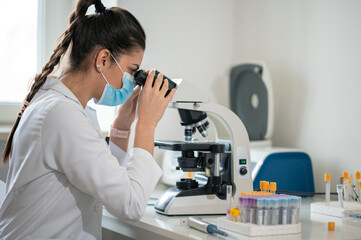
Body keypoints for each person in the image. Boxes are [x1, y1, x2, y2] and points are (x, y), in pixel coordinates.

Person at [0, 0, 175, 239]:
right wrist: (147, 123)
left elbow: (105, 180)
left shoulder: (68, 108)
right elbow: (130, 204)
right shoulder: (62, 115)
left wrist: (122, 125)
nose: (133, 81)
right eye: (132, 71)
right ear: (103, 59)